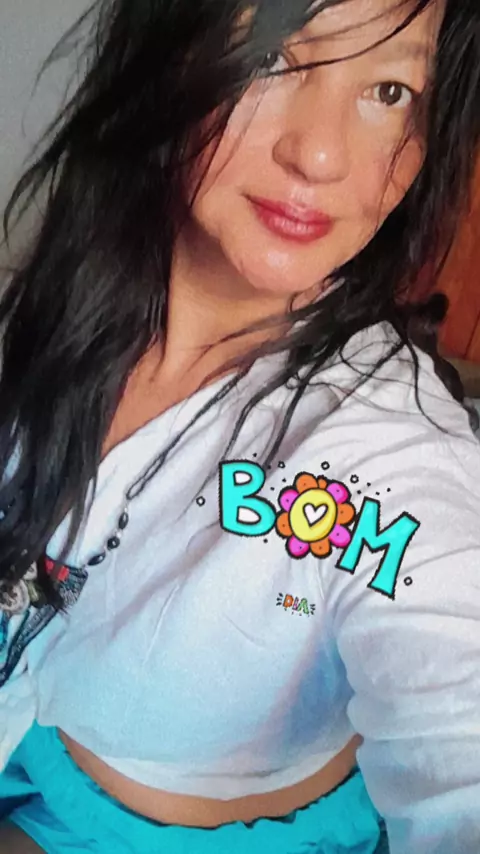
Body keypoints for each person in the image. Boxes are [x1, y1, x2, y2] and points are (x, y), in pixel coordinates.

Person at [0, 0, 478, 851]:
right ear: (169, 57)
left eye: (390, 90)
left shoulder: (397, 452)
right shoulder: (57, 301)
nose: (321, 154)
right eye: (271, 59)